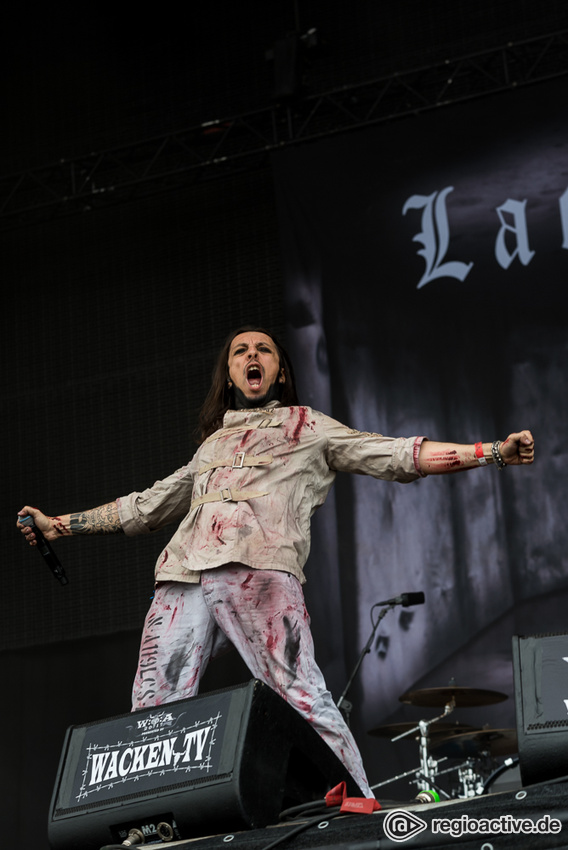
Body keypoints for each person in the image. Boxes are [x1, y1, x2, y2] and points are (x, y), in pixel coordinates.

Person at [17, 325, 535, 798]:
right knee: (154, 705)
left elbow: (393, 453)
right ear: (230, 373)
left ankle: (360, 802)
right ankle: (148, 814)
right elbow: (146, 505)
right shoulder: (212, 445)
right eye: (240, 351)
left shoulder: (305, 426)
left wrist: (491, 451)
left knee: (297, 690)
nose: (252, 356)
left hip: (256, 570)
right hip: (181, 577)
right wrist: (60, 524)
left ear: (279, 370)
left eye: (263, 349)